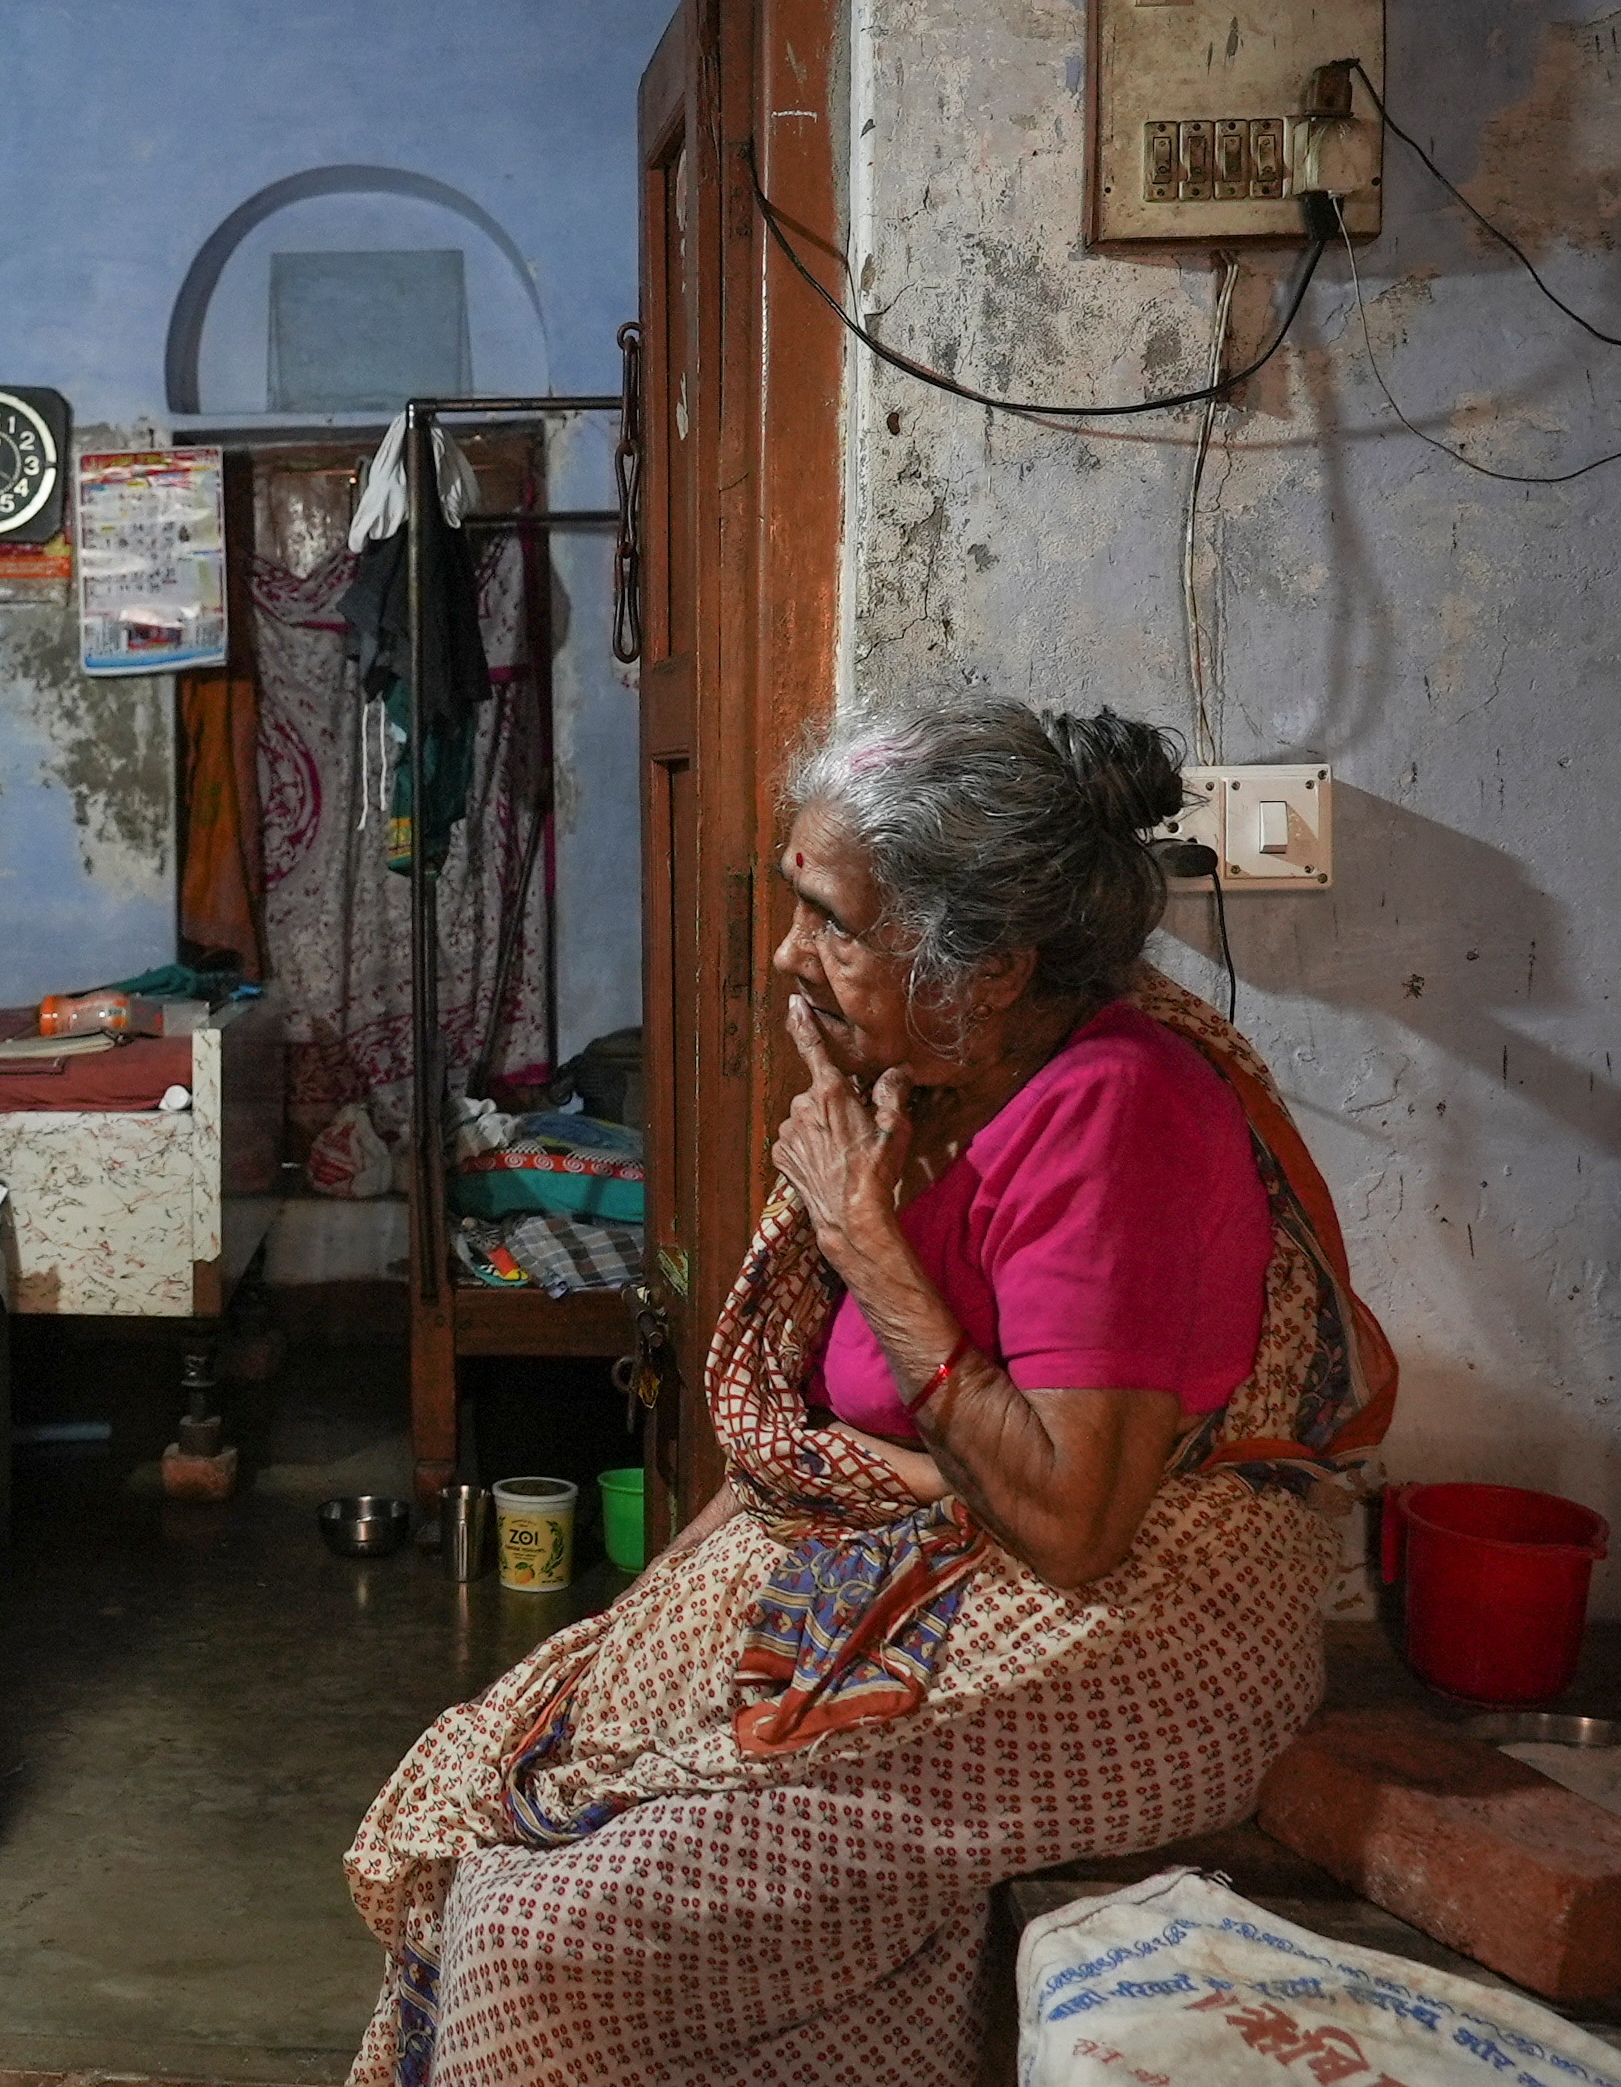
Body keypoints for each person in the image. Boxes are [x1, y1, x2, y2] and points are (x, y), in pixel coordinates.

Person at [343, 698, 1395, 2087]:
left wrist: (864, 1238)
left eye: (834, 922)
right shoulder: (940, 1082)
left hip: (1117, 1640)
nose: (790, 954)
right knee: (511, 1792)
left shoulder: (1116, 1110)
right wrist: (654, 1619)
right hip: (934, 1579)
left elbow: (1076, 1528)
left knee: (546, 1931)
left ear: (998, 964)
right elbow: (830, 1442)